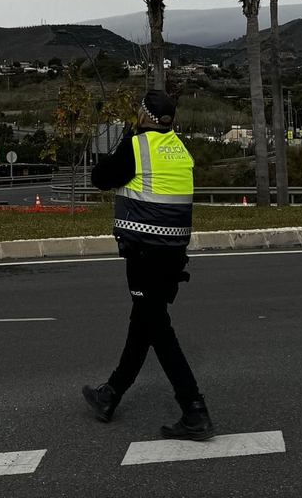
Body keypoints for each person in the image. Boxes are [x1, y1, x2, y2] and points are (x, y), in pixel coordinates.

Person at [81, 91, 213, 441]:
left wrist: (126, 139)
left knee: (157, 328)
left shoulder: (136, 148)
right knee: (143, 322)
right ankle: (110, 395)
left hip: (144, 252)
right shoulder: (180, 149)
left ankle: (194, 409)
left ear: (144, 114)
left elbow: (99, 178)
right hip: (173, 253)